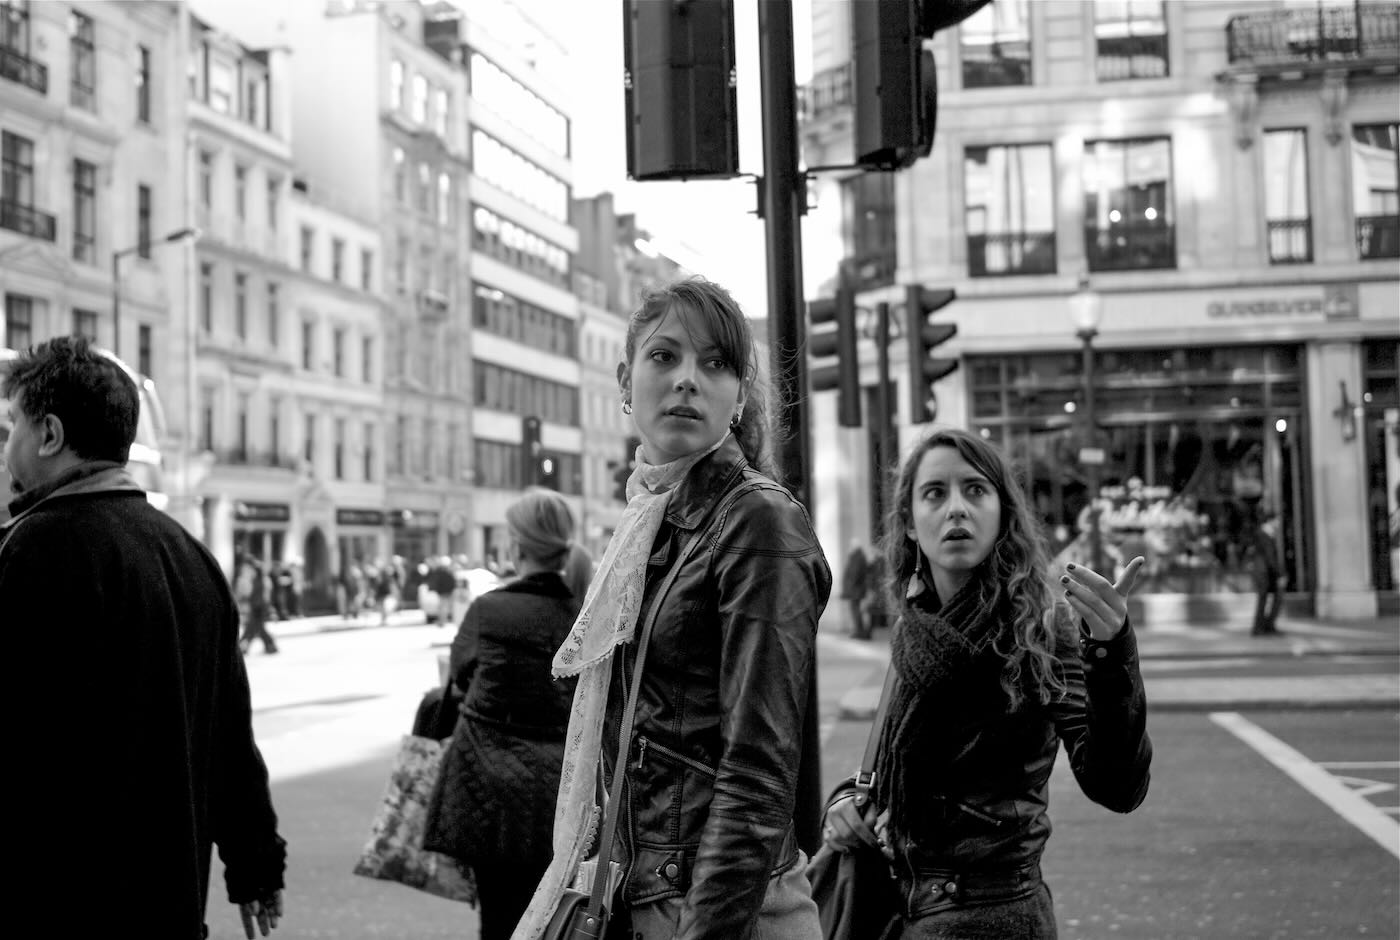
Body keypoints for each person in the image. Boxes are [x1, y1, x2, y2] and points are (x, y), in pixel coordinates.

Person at [515, 276, 832, 939]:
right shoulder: (649, 519)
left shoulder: (758, 522)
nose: (688, 379)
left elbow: (758, 770)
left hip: (724, 910)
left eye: (714, 363)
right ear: (626, 379)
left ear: (738, 395)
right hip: (648, 891)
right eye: (666, 357)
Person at [0, 337, 286, 939]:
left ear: (49, 434)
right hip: (169, 900)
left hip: (63, 898)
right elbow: (231, 736)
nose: (9, 448)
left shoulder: (36, 549)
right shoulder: (194, 557)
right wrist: (255, 864)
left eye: (14, 427)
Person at [821, 427, 1152, 938]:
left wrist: (1109, 651)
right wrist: (847, 801)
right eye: (935, 493)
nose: (956, 508)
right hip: (904, 912)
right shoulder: (916, 626)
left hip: (999, 917)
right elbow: (899, 767)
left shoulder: (1041, 629)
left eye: (975, 490)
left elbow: (1117, 785)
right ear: (910, 524)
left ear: (1002, 514)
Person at [423, 489, 584, 940]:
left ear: (517, 546)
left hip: (488, 792)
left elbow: (460, 678)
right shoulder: (586, 613)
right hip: (563, 796)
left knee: (498, 917)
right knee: (555, 916)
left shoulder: (489, 609)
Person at [1250, 510, 1286, 636]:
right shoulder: (1264, 534)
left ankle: (1266, 626)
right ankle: (1261, 627)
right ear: (1271, 520)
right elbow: (1270, 557)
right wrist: (1280, 574)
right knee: (1264, 599)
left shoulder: (1266, 534)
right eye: (1277, 520)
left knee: (1266, 599)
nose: (1279, 523)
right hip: (1263, 573)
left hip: (1265, 573)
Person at [841, 539, 872, 639]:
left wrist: (850, 586)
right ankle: (859, 631)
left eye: (851, 546)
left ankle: (859, 631)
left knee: (856, 610)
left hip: (855, 589)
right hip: (856, 588)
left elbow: (855, 573)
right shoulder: (858, 556)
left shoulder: (857, 557)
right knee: (856, 610)